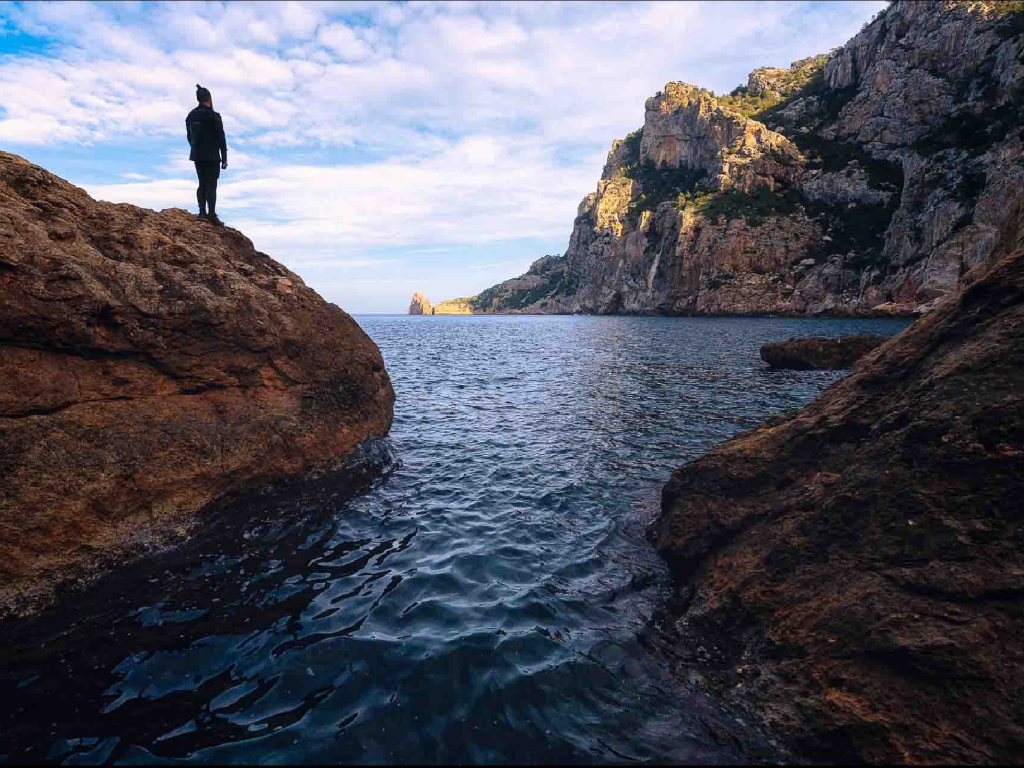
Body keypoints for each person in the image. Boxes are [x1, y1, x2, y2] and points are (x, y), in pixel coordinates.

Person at [186, 84, 228, 224]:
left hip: (198, 154)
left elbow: (189, 137)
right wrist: (224, 158)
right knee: (212, 184)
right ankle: (211, 214)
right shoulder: (214, 115)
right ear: (209, 98)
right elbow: (221, 138)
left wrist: (195, 148)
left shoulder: (191, 116)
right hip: (212, 155)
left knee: (202, 182)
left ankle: (202, 212)